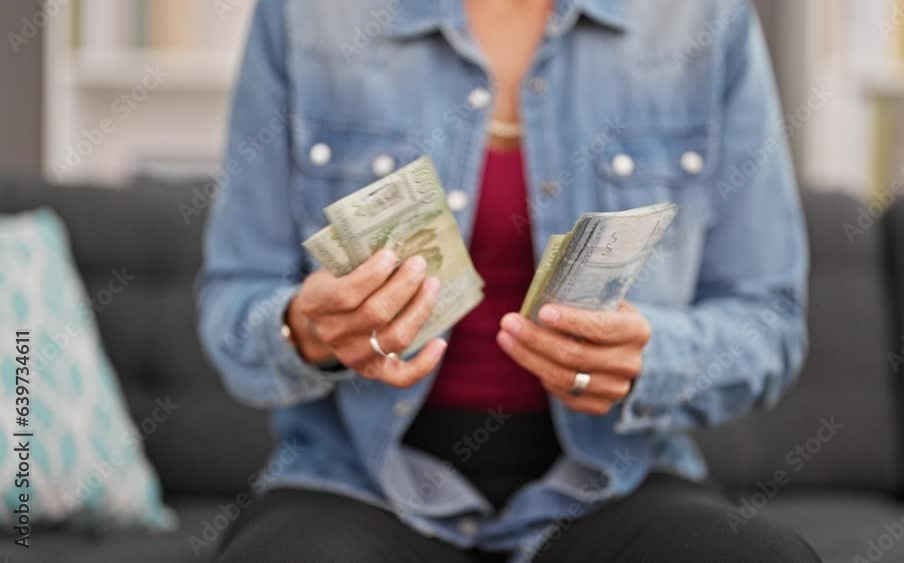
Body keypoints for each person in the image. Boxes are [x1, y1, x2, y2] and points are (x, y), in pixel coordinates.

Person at [198, 0, 820, 561]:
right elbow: (234, 298)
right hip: (356, 482)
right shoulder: (306, 15)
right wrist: (304, 329)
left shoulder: (701, 16)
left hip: (617, 483)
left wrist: (649, 360)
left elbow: (769, 322)